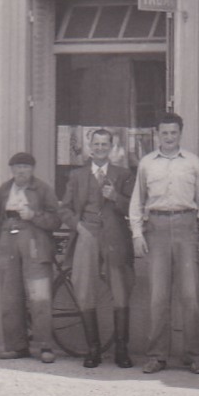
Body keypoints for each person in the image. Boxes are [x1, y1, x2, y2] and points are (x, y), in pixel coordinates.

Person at [130, 112, 199, 375]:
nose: (169, 137)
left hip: (186, 226)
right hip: (156, 227)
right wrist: (137, 234)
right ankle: (157, 355)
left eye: (174, 132)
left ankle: (194, 355)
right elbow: (137, 201)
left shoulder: (192, 163)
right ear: (158, 134)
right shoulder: (147, 164)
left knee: (190, 295)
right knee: (158, 296)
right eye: (164, 133)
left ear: (181, 133)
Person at [61, 128, 136, 368]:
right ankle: (93, 349)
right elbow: (64, 208)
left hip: (114, 237)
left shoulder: (123, 174)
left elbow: (135, 208)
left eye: (105, 144)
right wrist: (78, 226)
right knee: (84, 288)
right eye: (97, 144)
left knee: (120, 289)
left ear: (111, 148)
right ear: (90, 147)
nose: (101, 148)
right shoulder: (77, 175)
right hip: (87, 233)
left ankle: (121, 351)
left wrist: (116, 196)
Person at [0, 151, 63, 363]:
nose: (21, 171)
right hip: (7, 246)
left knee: (39, 298)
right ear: (11, 170)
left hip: (35, 246)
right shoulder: (3, 191)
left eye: (26, 167)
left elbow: (56, 220)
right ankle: (15, 346)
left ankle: (45, 347)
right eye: (17, 167)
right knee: (10, 297)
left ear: (32, 170)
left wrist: (33, 216)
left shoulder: (43, 190)